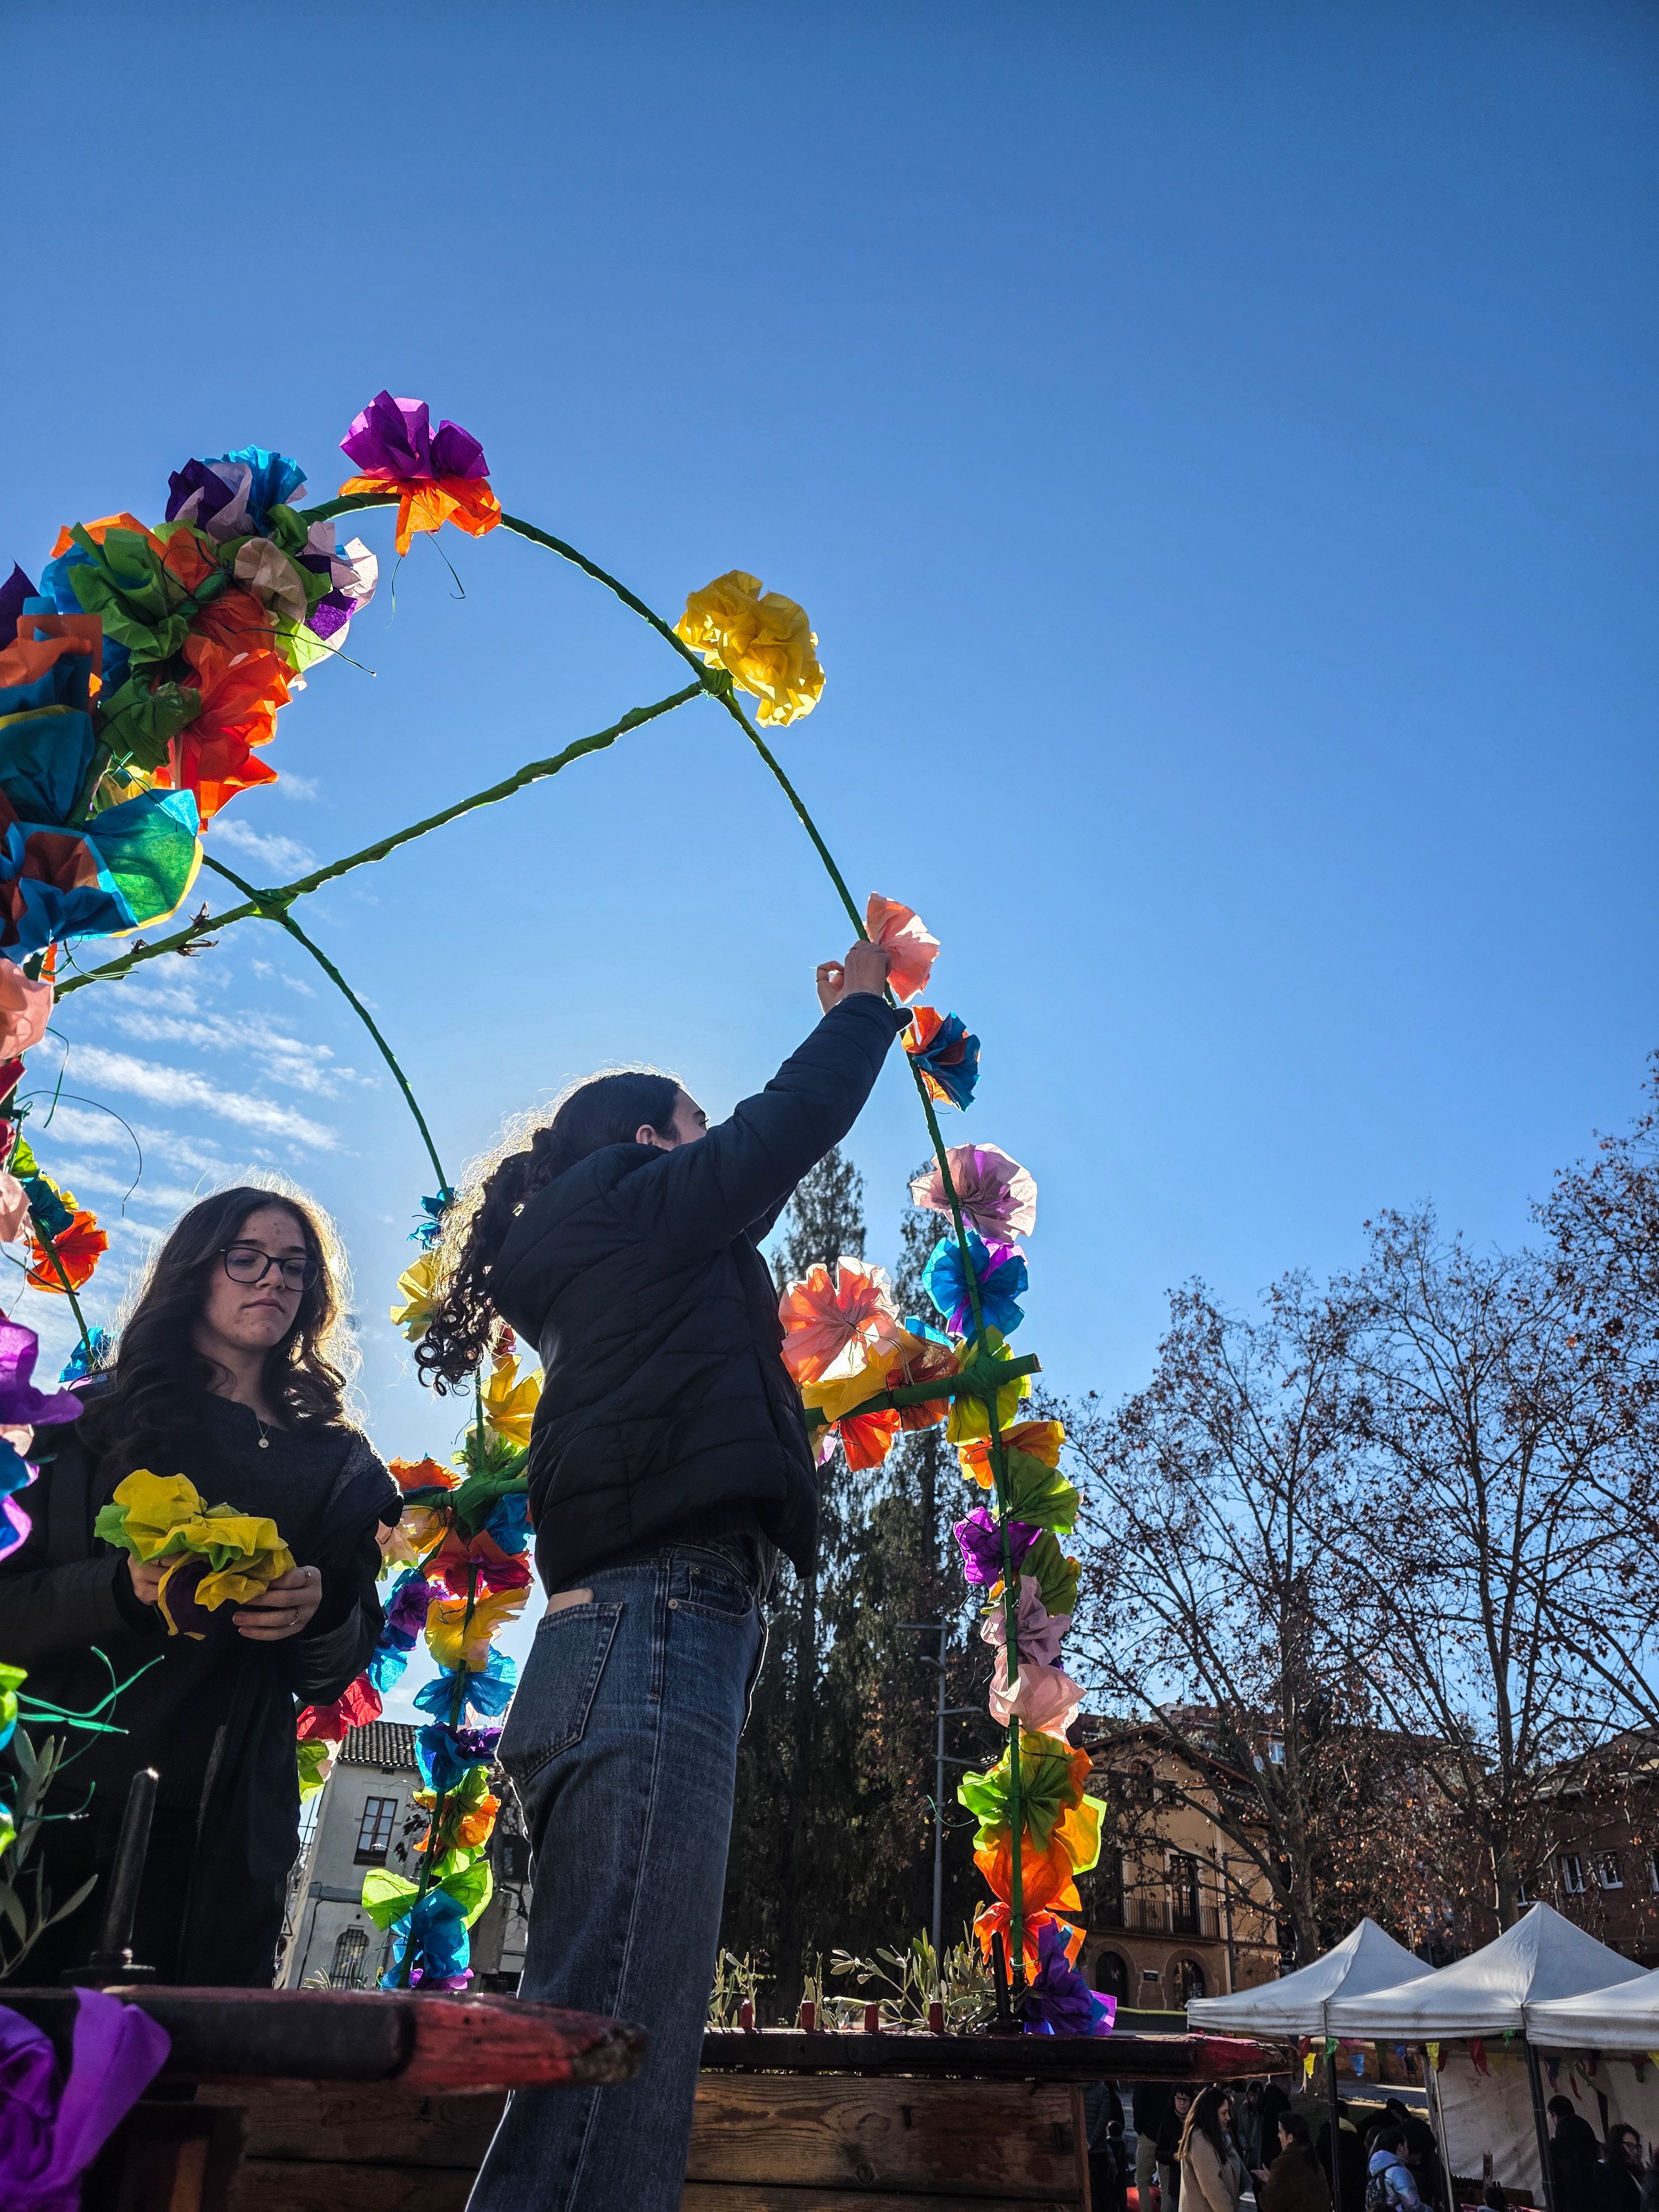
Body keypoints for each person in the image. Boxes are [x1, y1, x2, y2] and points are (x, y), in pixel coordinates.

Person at [420, 942, 910, 2212]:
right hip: (655, 1626)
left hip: (625, 1639)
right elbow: (781, 1131)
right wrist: (863, 1004)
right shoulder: (635, 1195)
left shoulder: (603, 1249)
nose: (703, 1152)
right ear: (646, 1137)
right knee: (616, 2073)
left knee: (598, 2041)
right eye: (688, 1130)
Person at [2, 1186, 397, 1985]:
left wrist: (315, 1616)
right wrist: (120, 1588)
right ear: (194, 1270)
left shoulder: (340, 1472)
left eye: (294, 1267)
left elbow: (335, 1668)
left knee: (190, 2077)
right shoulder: (82, 1428)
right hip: (51, 1805)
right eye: (245, 1257)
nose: (273, 1281)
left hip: (220, 1836)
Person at [1178, 2085, 1247, 2212]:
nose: (1228, 2118)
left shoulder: (1217, 2137)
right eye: (1224, 2113)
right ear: (1211, 2113)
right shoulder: (1199, 2140)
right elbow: (1213, 2188)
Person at [1258, 2113, 1334, 2212]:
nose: (1278, 2136)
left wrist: (1269, 2183)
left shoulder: (1286, 2163)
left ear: (1290, 2138)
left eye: (1281, 2132)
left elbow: (1271, 2205)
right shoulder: (1310, 2156)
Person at [1550, 2097, 1604, 2212]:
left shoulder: (1562, 2132)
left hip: (1574, 2198)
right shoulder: (1584, 2126)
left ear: (1555, 2115)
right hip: (1595, 2196)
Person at [1320, 2099, 1370, 2212]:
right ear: (1346, 2115)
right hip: (1353, 2192)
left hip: (1332, 2190)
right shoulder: (1354, 2139)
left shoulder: (1324, 2136)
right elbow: (1362, 2166)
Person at [1135, 2081, 1176, 2210]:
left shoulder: (1146, 2074)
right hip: (1166, 2135)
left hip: (1148, 2132)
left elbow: (1138, 2101)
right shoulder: (1171, 2075)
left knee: (1142, 2180)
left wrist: (1139, 2127)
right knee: (1166, 2185)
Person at [1366, 2126, 1425, 2212]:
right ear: (1401, 2147)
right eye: (1406, 2146)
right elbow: (1413, 2206)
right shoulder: (1397, 2172)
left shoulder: (1375, 2171)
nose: (1407, 2150)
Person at [1158, 2086, 1197, 2210]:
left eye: (1185, 2100)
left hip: (1196, 2179)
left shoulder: (1197, 2121)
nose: (1181, 2103)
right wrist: (1173, 2156)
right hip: (1177, 2181)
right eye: (1178, 2099)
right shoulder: (1167, 2121)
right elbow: (1159, 2153)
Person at [1599, 2126, 1642, 2212]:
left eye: (1636, 2146)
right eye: (1629, 2146)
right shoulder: (1612, 2175)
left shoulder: (1635, 2171)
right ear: (1617, 2146)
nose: (1635, 2151)